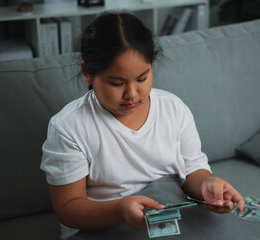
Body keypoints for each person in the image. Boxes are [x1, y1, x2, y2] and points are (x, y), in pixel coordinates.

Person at [40, 12, 245, 238]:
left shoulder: (173, 108)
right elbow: (68, 209)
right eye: (116, 83)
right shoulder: (69, 127)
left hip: (168, 214)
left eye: (142, 78)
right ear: (88, 72)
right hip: (102, 224)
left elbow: (192, 170)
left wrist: (207, 185)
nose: (132, 94)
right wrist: (119, 210)